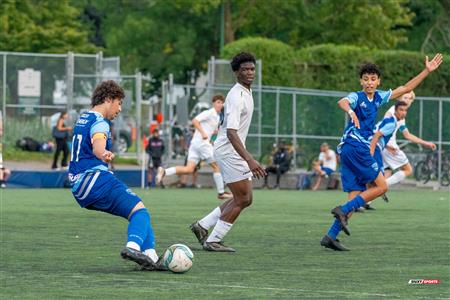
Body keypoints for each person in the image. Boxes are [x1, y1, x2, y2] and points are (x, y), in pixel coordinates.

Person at [321, 54, 443, 251]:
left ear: (378, 81)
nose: (369, 82)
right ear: (361, 81)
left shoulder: (378, 97)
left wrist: (427, 71)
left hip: (348, 150)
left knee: (356, 193)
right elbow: (343, 102)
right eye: (366, 79)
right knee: (382, 186)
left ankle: (331, 236)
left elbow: (405, 88)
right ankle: (342, 210)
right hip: (356, 147)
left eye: (373, 79)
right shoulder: (357, 97)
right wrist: (350, 111)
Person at [68, 80, 166, 271]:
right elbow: (98, 145)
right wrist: (103, 153)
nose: (120, 109)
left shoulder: (83, 118)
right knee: (140, 212)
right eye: (119, 103)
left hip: (79, 187)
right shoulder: (100, 122)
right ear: (108, 99)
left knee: (137, 210)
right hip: (95, 180)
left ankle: (151, 257)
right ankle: (133, 248)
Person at [189, 52, 267, 252]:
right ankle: (213, 240)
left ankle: (202, 226)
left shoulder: (246, 92)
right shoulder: (236, 95)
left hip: (233, 149)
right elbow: (231, 133)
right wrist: (249, 160)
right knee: (244, 199)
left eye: (251, 69)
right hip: (229, 149)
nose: (249, 73)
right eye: (244, 70)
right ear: (236, 72)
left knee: (244, 198)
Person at [157, 95, 233, 200]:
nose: (220, 105)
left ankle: (164, 172)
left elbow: (211, 130)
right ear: (213, 103)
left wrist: (213, 136)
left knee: (189, 169)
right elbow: (195, 121)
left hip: (196, 144)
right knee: (217, 166)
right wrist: (203, 133)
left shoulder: (217, 116)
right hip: (201, 144)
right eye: (218, 102)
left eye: (222, 103)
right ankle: (221, 193)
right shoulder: (209, 112)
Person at [382, 91, 436, 188]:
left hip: (384, 146)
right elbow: (381, 129)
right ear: (399, 98)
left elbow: (407, 135)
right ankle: (381, 186)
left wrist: (425, 143)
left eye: (410, 98)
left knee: (387, 172)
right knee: (408, 170)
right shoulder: (392, 112)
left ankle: (367, 200)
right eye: (405, 97)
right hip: (388, 146)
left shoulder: (401, 115)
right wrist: (387, 145)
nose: (408, 100)